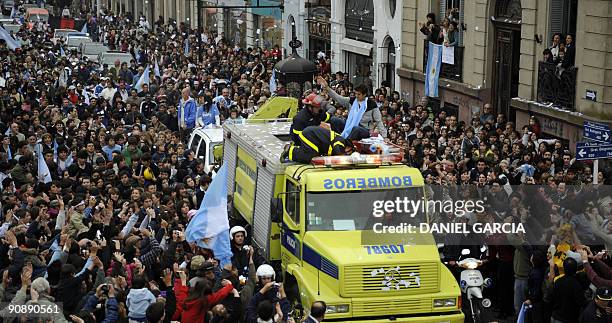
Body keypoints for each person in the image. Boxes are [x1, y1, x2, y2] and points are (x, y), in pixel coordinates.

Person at [317, 76, 387, 138]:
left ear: (364, 94)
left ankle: (345, 141)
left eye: (358, 94)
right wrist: (327, 88)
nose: (356, 96)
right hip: (349, 125)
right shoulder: (351, 100)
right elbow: (338, 98)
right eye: (355, 93)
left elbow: (378, 121)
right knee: (334, 120)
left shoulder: (372, 104)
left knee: (355, 129)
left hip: (364, 129)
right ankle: (337, 138)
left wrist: (384, 136)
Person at [280, 126, 354, 164]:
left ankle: (296, 149)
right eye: (349, 151)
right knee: (310, 156)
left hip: (313, 138)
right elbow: (337, 148)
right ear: (348, 147)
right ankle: (290, 150)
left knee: (313, 155)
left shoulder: (340, 139)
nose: (348, 153)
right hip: (310, 135)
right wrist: (343, 156)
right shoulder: (341, 141)